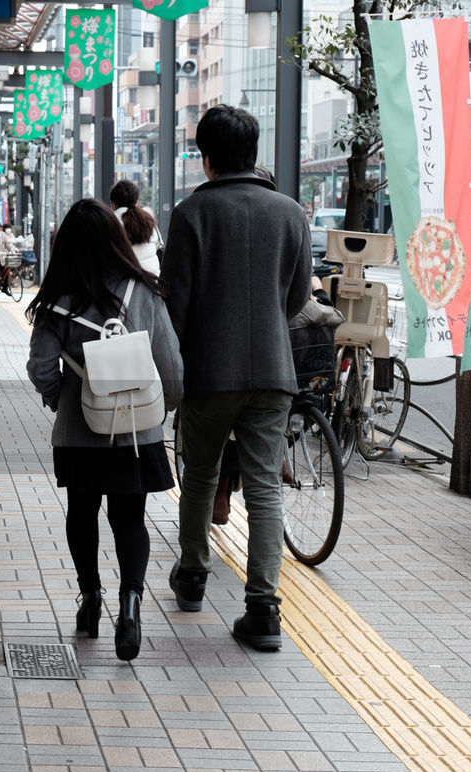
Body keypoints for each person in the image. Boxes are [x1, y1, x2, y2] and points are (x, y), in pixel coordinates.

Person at [161, 104, 311, 652]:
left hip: (208, 370)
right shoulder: (290, 213)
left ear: (207, 159)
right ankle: (263, 608)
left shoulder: (191, 214)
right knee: (265, 485)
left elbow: (175, 303)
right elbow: (297, 299)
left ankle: (194, 577)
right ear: (254, 153)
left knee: (200, 475)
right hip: (273, 369)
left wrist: (171, 369)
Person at [25, 198, 183, 661]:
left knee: (82, 511)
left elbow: (39, 367)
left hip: (79, 432)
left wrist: (62, 399)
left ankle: (90, 598)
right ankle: (130, 604)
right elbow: (170, 364)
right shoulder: (145, 292)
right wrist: (161, 408)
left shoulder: (58, 299)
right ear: (116, 242)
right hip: (136, 431)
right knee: (130, 518)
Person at [109, 179, 163, 275]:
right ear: (136, 202)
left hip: (124, 286)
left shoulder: (109, 223)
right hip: (153, 283)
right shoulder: (149, 221)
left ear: (113, 204)